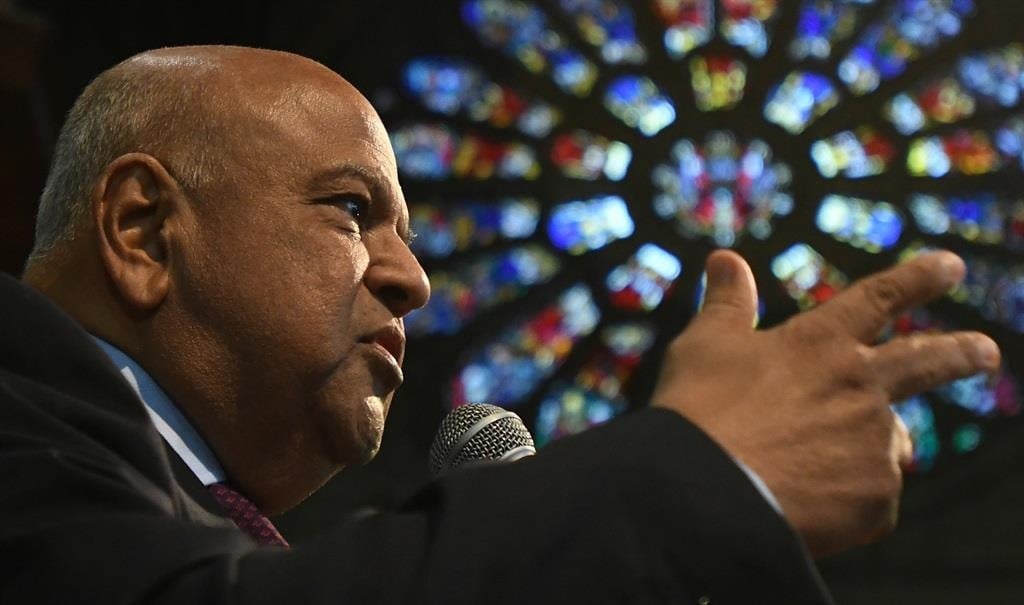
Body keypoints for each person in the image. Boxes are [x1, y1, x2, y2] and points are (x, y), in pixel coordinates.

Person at [0, 45, 1000, 604]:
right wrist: (689, 469)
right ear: (143, 228)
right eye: (351, 209)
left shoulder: (166, 504)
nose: (415, 279)